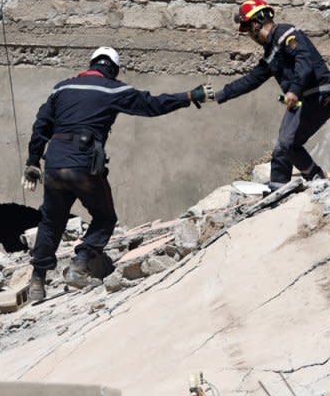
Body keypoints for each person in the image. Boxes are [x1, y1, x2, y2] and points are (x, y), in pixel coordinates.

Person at [21, 47, 210, 301]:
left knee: (51, 222)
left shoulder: (61, 88)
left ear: (90, 64)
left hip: (54, 162)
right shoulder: (112, 89)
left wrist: (33, 161)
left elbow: (41, 125)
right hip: (84, 164)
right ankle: (80, 264)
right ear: (112, 68)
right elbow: (152, 105)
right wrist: (188, 95)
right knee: (104, 217)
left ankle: (37, 282)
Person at [199, 0, 330, 191]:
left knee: (288, 143)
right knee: (281, 148)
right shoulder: (271, 53)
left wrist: (294, 90)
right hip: (302, 100)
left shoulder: (285, 34)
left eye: (247, 28)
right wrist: (219, 95)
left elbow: (303, 60)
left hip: (319, 95)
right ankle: (277, 191)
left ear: (257, 22)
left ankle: (317, 178)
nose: (248, 34)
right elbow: (251, 80)